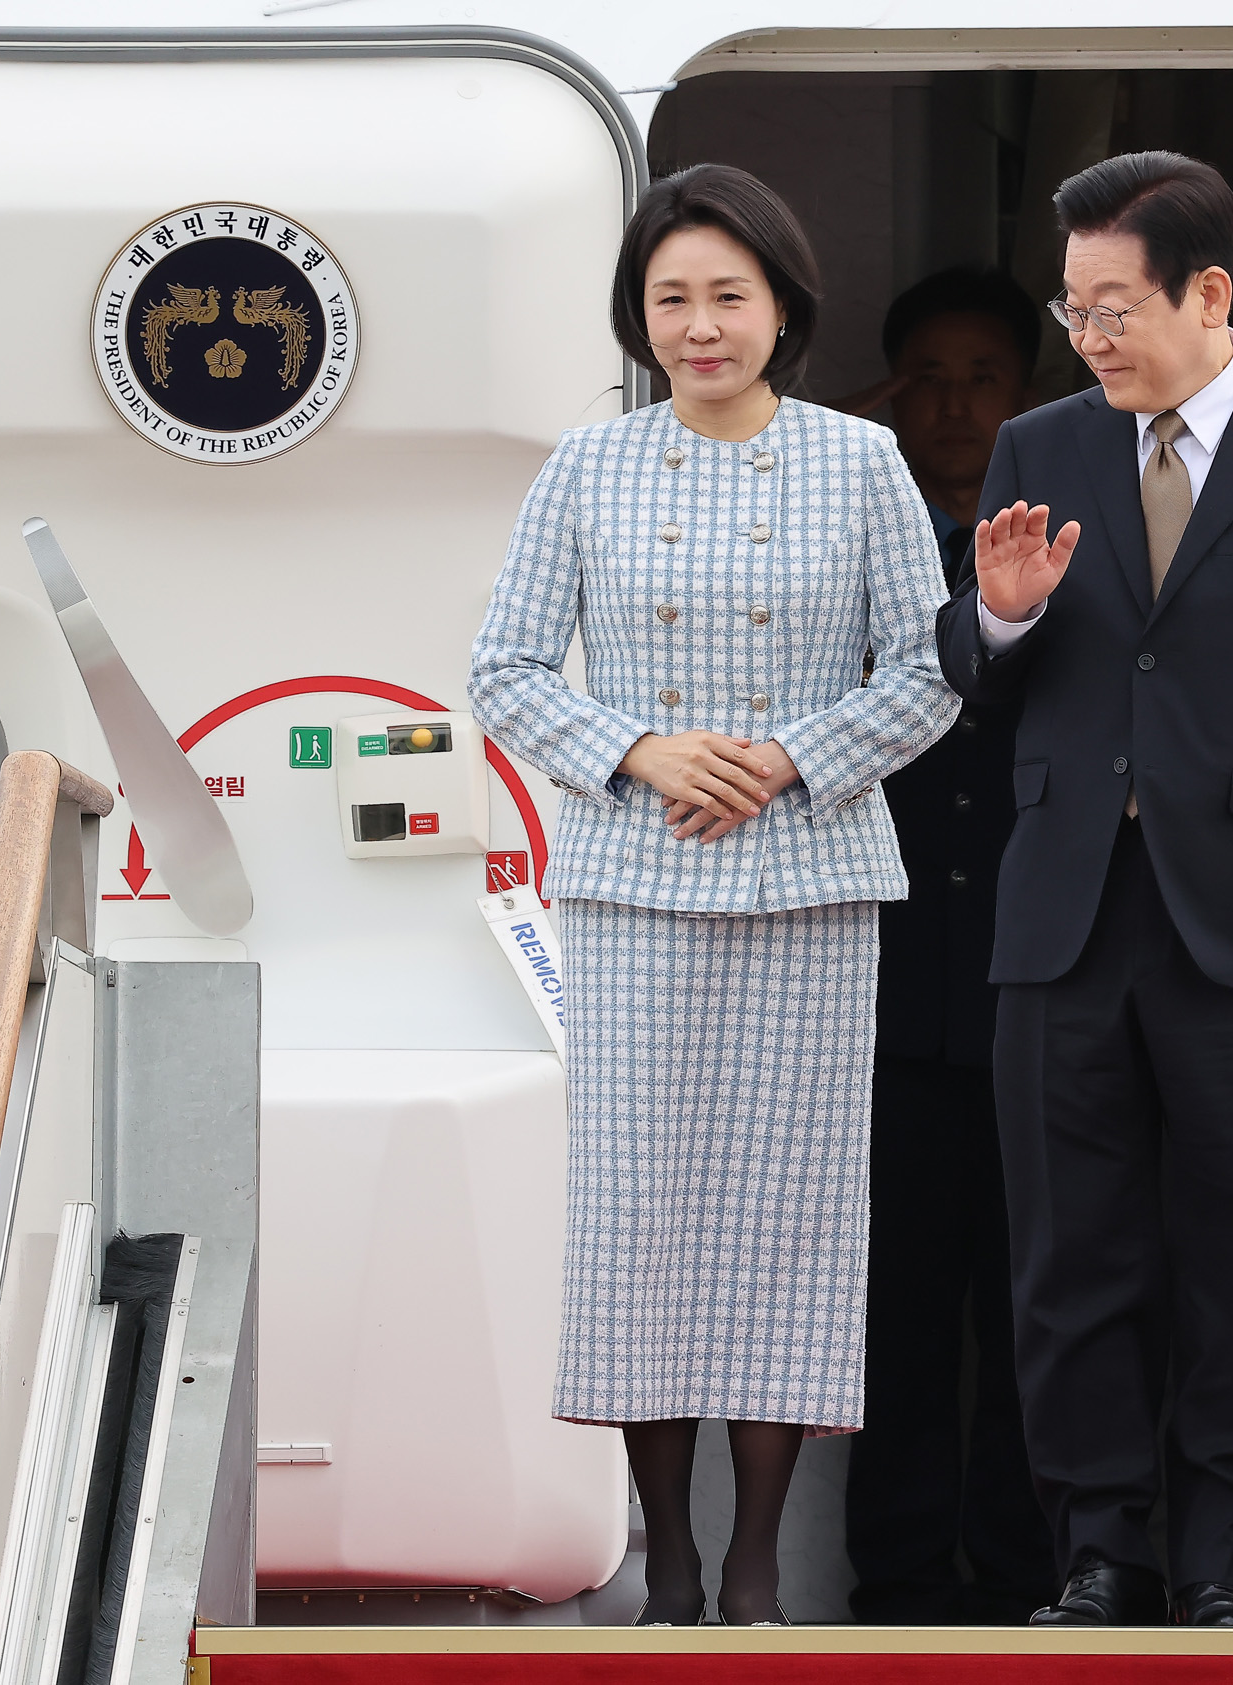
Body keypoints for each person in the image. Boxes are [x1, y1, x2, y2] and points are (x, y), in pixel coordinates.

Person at [935, 151, 1233, 1628]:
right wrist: (1000, 621)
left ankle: (1230, 1562)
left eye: (1112, 306)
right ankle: (1099, 1546)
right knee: (1068, 1255)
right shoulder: (1041, 446)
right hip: (1066, 912)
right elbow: (973, 685)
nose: (1086, 337)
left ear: (1209, 294)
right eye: (1070, 307)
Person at [468, 163, 959, 1628]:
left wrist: (791, 760)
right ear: (641, 316)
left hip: (811, 890)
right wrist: (638, 747)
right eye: (671, 299)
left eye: (727, 297)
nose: (699, 326)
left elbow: (928, 669)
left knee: (793, 1217)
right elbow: (501, 669)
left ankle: (754, 1564)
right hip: (634, 887)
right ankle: (663, 1559)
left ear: (784, 308)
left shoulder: (862, 464)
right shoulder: (585, 466)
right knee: (641, 1217)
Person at [840, 268, 1055, 1626]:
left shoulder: (1078, 535)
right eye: (929, 376)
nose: (955, 403)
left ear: (1024, 396)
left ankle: (1034, 1578)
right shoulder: (850, 537)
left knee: (1040, 1310)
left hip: (1045, 983)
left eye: (984, 376)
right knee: (898, 1316)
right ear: (890, 395)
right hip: (883, 989)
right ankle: (902, 1585)